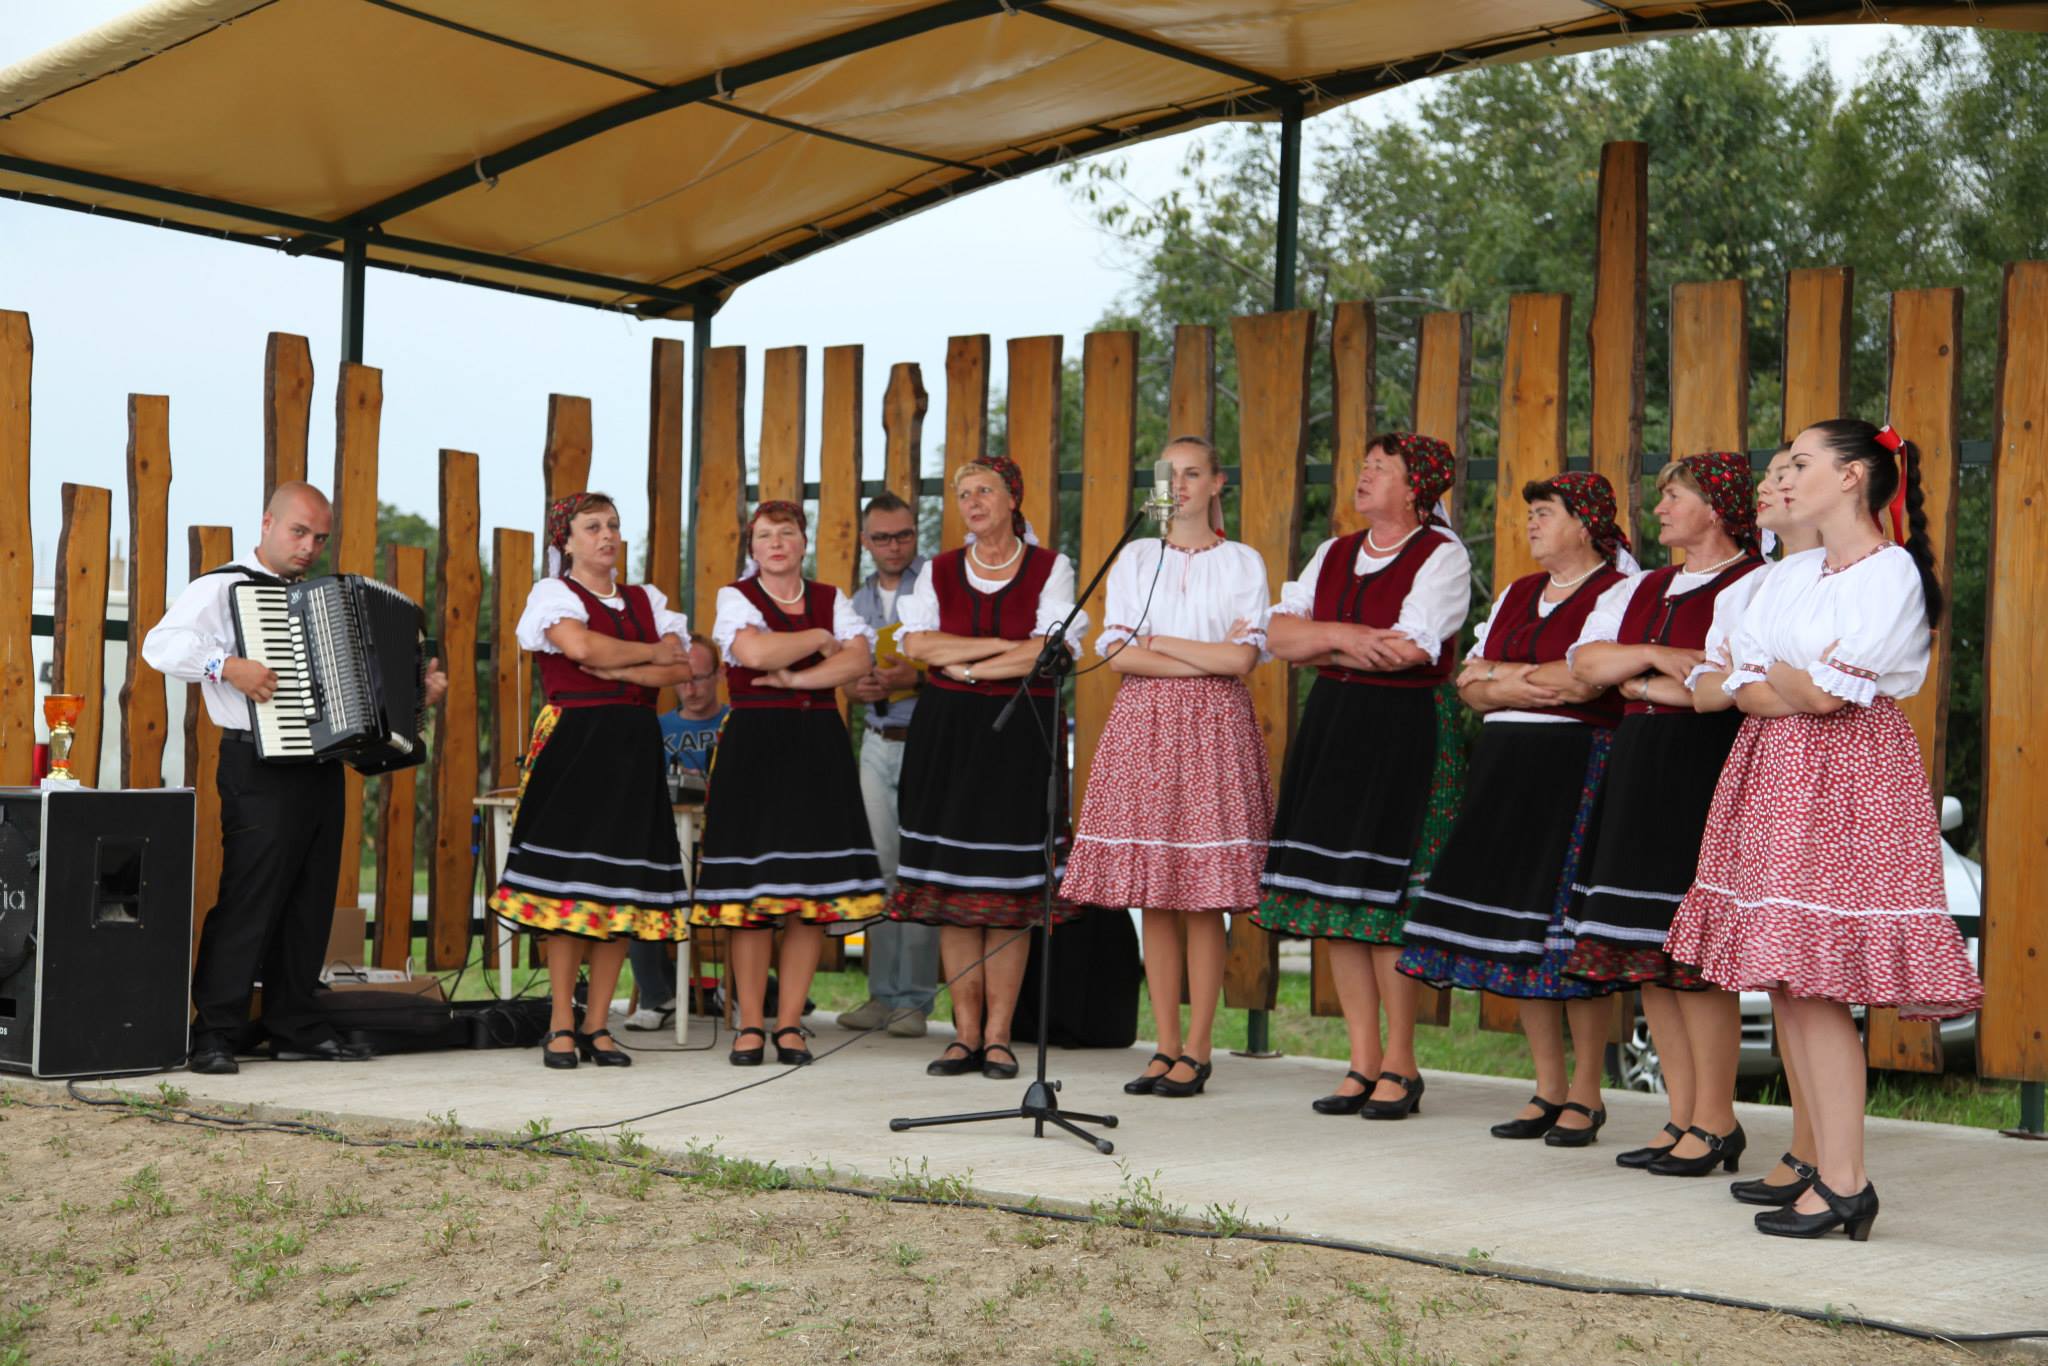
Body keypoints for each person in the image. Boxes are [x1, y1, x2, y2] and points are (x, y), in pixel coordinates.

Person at [1665, 419, 1981, 1241]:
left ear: (1852, 477)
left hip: (1846, 776)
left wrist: (1782, 675)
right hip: (1774, 766)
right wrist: (1786, 675)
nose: (1785, 476)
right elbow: (1741, 685)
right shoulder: (1796, 572)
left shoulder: (1889, 572)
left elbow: (1825, 697)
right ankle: (1824, 1169)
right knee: (1790, 980)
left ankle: (1845, 1179)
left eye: (1802, 462)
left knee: (1816, 982)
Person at [144, 481, 449, 1075]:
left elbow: (360, 697)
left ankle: (294, 1026)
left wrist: (419, 696)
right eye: (299, 531)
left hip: (320, 768)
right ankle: (215, 1032)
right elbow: (161, 646)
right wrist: (227, 665)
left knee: (310, 903)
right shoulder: (223, 587)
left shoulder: (325, 601)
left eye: (319, 538)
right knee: (250, 899)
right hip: (256, 766)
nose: (309, 546)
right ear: (267, 524)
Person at [1398, 473, 1635, 1146]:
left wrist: (1505, 680)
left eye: (1545, 512)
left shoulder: (1618, 591)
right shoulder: (1516, 593)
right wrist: (1523, 682)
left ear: (1584, 523)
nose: (1531, 523)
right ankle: (1547, 1087)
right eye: (1530, 512)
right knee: (1522, 932)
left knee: (1566, 935)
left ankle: (1586, 1094)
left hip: (1575, 768)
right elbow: (1468, 684)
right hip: (1507, 771)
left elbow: (1585, 680)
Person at [1251, 433, 1472, 1119]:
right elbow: (1277, 636)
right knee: (1338, 903)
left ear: (1416, 488)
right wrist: (1346, 638)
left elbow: (1410, 650)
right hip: (1337, 726)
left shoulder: (1442, 555)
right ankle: (1361, 1060)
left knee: (1386, 904)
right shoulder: (1334, 551)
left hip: (1404, 731)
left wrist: (1320, 640)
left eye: (1382, 468)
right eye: (1365, 464)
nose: (1365, 475)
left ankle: (1401, 1064)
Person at [1561, 452, 1768, 1173]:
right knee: (1652, 953)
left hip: (1703, 768)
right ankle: (1682, 1115)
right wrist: (1654, 657)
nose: (1659, 509)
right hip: (1639, 766)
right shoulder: (1643, 586)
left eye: (1674, 496)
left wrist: (1638, 682)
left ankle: (1716, 1120)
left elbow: (1724, 682)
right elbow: (1585, 666)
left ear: (1716, 508)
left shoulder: (1754, 582)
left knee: (1695, 959)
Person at [1061, 436, 1272, 1100]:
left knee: (1202, 897)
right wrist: (1201, 655)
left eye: (1192, 473)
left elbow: (1242, 660)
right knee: (1154, 893)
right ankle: (1165, 1044)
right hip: (1144, 724)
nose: (1178, 485)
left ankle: (1199, 1048)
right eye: (1168, 474)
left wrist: (1161, 643)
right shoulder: (1136, 557)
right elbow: (1117, 653)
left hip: (1213, 727)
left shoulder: (1241, 561)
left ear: (1216, 483)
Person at [892, 457, 1084, 1082]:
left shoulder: (1051, 567)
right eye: (963, 494)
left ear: (1012, 499)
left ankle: (999, 1037)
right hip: (948, 736)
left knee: (1006, 894)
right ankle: (964, 1035)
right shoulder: (939, 570)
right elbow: (917, 645)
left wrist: (966, 665)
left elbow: (1047, 650)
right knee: (954, 894)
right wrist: (1002, 649)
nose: (972, 503)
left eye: (984, 491)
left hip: (1019, 737)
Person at [488, 492, 693, 1069]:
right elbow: (578, 646)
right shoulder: (553, 595)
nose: (607, 536)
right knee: (568, 890)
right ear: (568, 540)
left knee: (619, 891)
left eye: (614, 526)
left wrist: (616, 660)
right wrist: (646, 655)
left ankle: (599, 1025)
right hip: (576, 744)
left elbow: (683, 667)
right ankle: (561, 1021)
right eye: (593, 526)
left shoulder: (648, 600)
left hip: (634, 747)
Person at [694, 501, 887, 1067]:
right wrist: (821, 638)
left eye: (786, 533)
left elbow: (858, 662)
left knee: (810, 898)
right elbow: (753, 652)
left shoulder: (831, 597)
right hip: (756, 747)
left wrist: (795, 677)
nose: (776, 543)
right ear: (752, 547)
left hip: (818, 748)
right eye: (764, 535)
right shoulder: (736, 597)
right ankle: (750, 1023)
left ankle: (789, 1023)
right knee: (754, 898)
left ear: (804, 542)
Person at [1689, 451, 1827, 1207]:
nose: (1769, 488)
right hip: (1762, 764)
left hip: (1820, 766)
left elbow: (1826, 688)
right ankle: (1808, 1148)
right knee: (1779, 965)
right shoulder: (1751, 588)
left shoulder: (1850, 577)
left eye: (1786, 474)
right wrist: (1762, 682)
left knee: (1810, 965)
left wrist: (1758, 681)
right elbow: (1714, 688)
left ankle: (1823, 1151)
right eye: (1767, 477)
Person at [837, 492, 940, 1039]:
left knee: (918, 869)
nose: (894, 546)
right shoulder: (856, 600)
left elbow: (955, 664)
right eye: (882, 538)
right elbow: (847, 680)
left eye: (903, 535)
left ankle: (914, 1001)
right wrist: (860, 687)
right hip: (876, 738)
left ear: (915, 535)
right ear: (865, 541)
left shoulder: (935, 587)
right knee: (879, 868)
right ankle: (882, 995)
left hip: (926, 739)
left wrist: (915, 678)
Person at [622, 634, 726, 1032]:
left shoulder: (734, 722)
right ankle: (657, 994)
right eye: (683, 679)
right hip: (666, 841)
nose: (691, 689)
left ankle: (735, 991)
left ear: (718, 675)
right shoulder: (657, 727)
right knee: (638, 886)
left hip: (719, 843)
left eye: (699, 678)